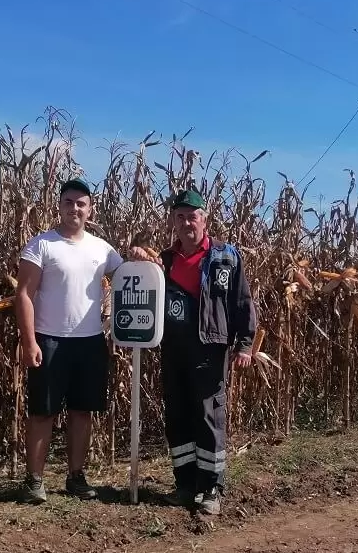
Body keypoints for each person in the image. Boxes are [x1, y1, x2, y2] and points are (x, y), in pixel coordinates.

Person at [134, 188, 257, 517]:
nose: (187, 222)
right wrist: (138, 260)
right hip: (174, 348)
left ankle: (211, 487)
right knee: (178, 417)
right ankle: (186, 484)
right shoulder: (165, 261)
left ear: (204, 219)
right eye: (181, 216)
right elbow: (142, 284)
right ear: (174, 221)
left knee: (208, 416)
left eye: (193, 216)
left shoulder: (225, 257)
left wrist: (245, 344)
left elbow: (242, 302)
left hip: (209, 347)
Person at [15, 177, 123, 503]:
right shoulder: (41, 245)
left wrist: (144, 261)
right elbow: (23, 294)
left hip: (89, 343)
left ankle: (76, 477)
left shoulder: (102, 249)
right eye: (68, 202)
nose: (74, 208)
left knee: (81, 412)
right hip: (49, 341)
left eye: (81, 203)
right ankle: (34, 480)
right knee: (42, 413)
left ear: (90, 209)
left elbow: (129, 277)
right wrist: (29, 341)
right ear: (59, 205)